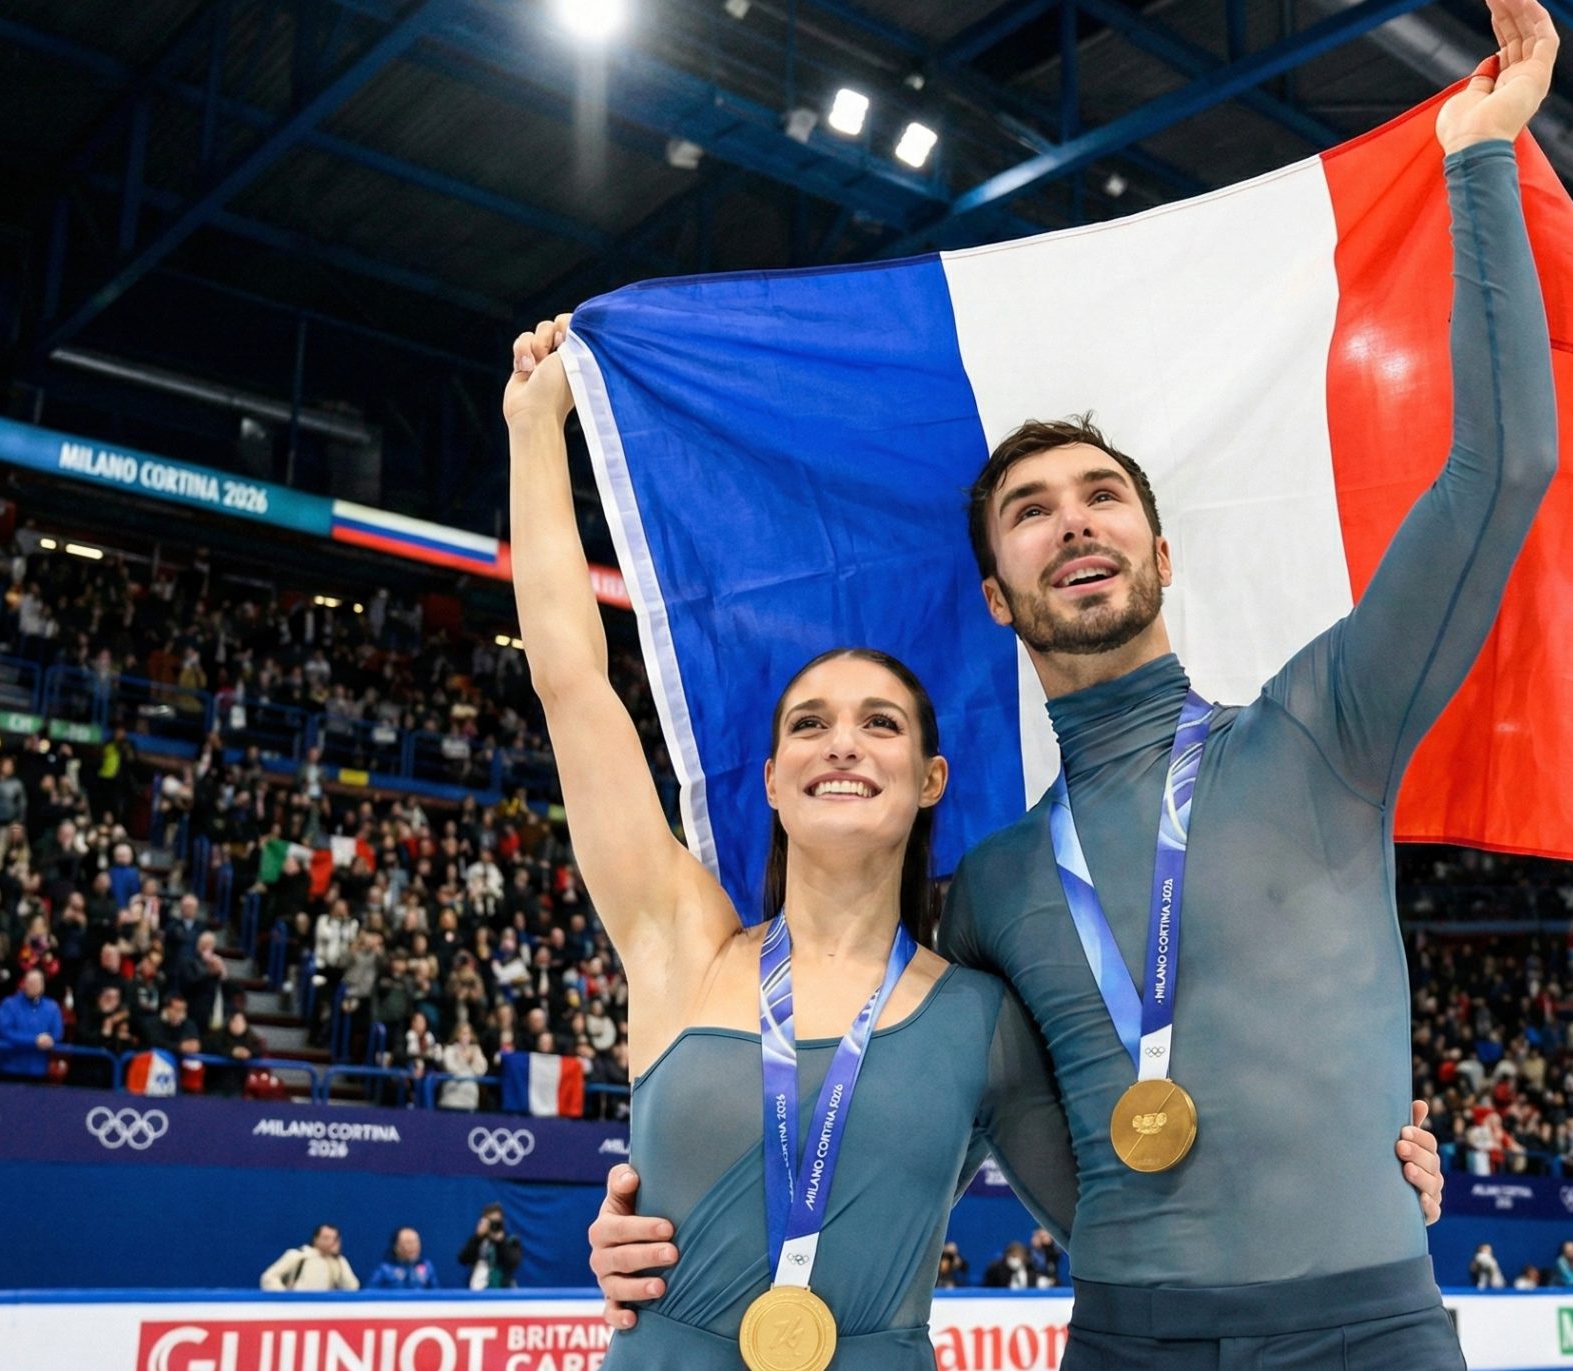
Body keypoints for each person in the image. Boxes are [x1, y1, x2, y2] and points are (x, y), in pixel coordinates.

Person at [588, 4, 1555, 1362]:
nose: (1074, 521)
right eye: (1031, 511)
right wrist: (655, 1223)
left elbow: (1500, 473)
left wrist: (1479, 158)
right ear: (998, 595)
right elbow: (893, 1115)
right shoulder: (988, 888)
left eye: (1103, 495)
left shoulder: (1322, 729)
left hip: (1368, 1330)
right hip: (1124, 1341)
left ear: (1161, 551)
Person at [512, 314, 1448, 1365]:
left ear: (930, 780)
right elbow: (570, 682)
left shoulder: (977, 1013)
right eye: (809, 723)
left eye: (881, 723)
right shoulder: (678, 942)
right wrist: (534, 429)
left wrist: (1359, 1184)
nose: (842, 743)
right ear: (770, 778)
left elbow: (1140, 1222)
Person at [0, 968, 63, 1080]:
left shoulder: (52, 1007)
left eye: (37, 982)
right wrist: (34, 1041)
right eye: (31, 982)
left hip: (38, 1070)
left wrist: (49, 1040)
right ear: (24, 983)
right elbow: (5, 1031)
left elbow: (57, 1033)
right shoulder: (9, 1004)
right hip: (10, 1069)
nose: (34, 986)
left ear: (43, 985)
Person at [261, 1224, 359, 1291]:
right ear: (316, 1239)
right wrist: (287, 1297)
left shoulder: (338, 1262)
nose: (331, 1242)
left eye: (334, 1239)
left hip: (325, 1309)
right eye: (326, 1238)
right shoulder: (298, 1256)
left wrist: (339, 1259)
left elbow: (352, 1288)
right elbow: (268, 1278)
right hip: (298, 1307)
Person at [459, 1204, 524, 1290]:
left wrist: (500, 1242)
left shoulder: (511, 1241)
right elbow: (463, 1259)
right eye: (491, 1222)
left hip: (504, 1292)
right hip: (479, 1292)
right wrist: (477, 1238)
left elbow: (513, 1263)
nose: (494, 1226)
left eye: (497, 1222)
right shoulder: (478, 1241)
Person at [369, 1228, 439, 1289]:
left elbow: (436, 1293)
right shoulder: (385, 1270)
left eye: (415, 1242)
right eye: (408, 1243)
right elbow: (370, 1294)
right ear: (396, 1247)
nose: (413, 1246)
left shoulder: (426, 1266)